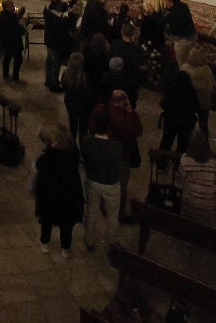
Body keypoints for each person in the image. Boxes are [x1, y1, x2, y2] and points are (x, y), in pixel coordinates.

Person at [31, 124, 85, 257]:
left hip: (51, 195)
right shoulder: (73, 151)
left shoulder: (46, 157)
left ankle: (44, 242)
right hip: (69, 193)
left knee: (47, 220)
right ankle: (65, 248)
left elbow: (39, 173)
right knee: (67, 223)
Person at [93, 88, 144, 223]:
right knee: (120, 187)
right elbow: (138, 131)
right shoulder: (123, 118)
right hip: (120, 156)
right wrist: (131, 111)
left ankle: (103, 207)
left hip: (103, 152)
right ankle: (118, 214)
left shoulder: (100, 110)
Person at [81, 110, 127, 251]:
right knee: (112, 214)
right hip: (111, 184)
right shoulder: (117, 147)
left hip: (93, 181)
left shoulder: (86, 143)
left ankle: (89, 240)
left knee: (92, 210)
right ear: (109, 127)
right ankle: (112, 241)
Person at [178, 129, 216, 229]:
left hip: (189, 211)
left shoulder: (185, 160)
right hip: (210, 216)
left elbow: (182, 179)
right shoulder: (213, 162)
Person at [158, 67, 199, 154]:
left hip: (171, 119)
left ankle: (161, 162)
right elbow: (196, 106)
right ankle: (178, 163)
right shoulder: (191, 91)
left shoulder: (170, 88)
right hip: (186, 121)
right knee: (183, 144)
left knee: (166, 140)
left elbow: (163, 104)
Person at [109, 23, 147, 106]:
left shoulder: (115, 45)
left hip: (117, 81)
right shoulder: (138, 49)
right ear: (133, 33)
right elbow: (142, 65)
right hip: (132, 83)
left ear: (122, 32)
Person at [43, 0, 75, 92]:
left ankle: (48, 80)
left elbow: (60, 9)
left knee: (49, 61)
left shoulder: (47, 11)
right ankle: (54, 85)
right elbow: (69, 24)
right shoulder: (59, 20)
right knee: (56, 65)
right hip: (56, 43)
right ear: (57, 7)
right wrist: (71, 14)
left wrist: (68, 2)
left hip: (48, 40)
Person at [182, 47, 215, 134]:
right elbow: (212, 84)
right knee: (203, 121)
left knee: (188, 119)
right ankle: (204, 138)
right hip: (203, 100)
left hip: (189, 100)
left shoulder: (185, 68)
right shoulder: (205, 69)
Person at [61, 52, 89, 143]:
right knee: (83, 125)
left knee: (72, 121)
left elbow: (64, 88)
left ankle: (72, 142)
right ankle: (82, 142)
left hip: (70, 101)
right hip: (82, 103)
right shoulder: (84, 76)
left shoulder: (65, 74)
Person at [163, 0, 198, 66]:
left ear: (170, 2)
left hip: (183, 40)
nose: (165, 4)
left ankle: (183, 74)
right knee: (188, 58)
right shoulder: (183, 6)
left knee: (181, 61)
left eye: (166, 2)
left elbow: (165, 20)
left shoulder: (174, 12)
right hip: (192, 37)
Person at [0, 0, 26, 83]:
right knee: (17, 59)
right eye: (12, 5)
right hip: (13, 42)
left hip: (8, 42)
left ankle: (6, 73)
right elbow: (14, 29)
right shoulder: (7, 17)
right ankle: (15, 76)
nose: (14, 7)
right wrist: (22, 29)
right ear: (7, 7)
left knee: (7, 58)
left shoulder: (5, 14)